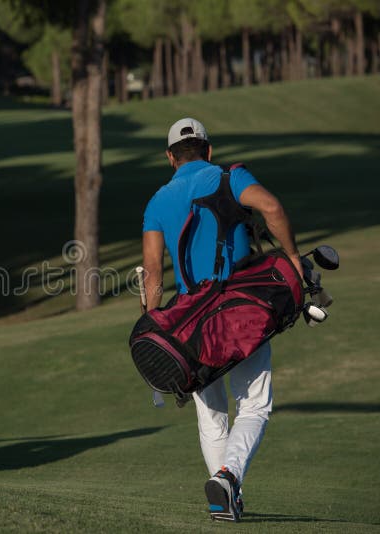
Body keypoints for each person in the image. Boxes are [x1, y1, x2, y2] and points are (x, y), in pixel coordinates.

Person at [141, 118, 302, 522]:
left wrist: (156, 323)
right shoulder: (230, 176)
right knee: (254, 407)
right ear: (208, 151)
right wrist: (294, 259)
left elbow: (153, 275)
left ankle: (225, 498)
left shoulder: (158, 200)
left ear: (170, 158)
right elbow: (271, 207)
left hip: (191, 323)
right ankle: (228, 479)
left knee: (211, 419)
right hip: (242, 310)